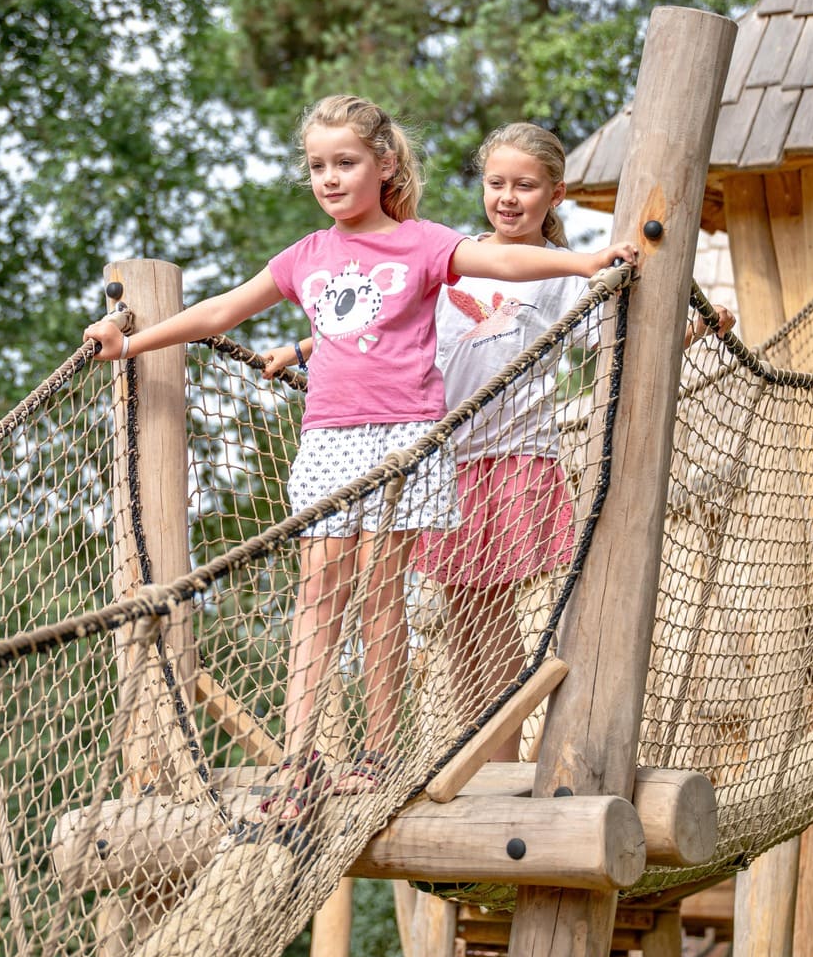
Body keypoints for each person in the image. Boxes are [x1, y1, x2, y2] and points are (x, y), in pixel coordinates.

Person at [84, 97, 636, 813]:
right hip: (329, 439)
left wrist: (588, 260)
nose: (330, 178)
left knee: (381, 598)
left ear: (385, 166)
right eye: (318, 166)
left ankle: (377, 755)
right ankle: (301, 759)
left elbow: (499, 258)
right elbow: (223, 309)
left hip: (407, 438)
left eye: (345, 163)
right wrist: (131, 342)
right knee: (318, 593)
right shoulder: (306, 256)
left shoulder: (424, 244)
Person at [268, 121, 732, 762]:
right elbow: (384, 316)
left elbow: (618, 349)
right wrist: (301, 349)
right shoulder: (456, 257)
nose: (508, 198)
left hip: (515, 455)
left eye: (525, 186)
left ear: (555, 194)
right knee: (460, 612)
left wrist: (694, 333)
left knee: (494, 611)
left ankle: (501, 754)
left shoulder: (564, 279)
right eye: (496, 183)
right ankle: (473, 749)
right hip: (439, 454)